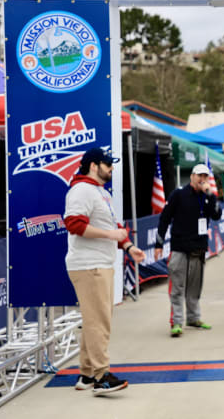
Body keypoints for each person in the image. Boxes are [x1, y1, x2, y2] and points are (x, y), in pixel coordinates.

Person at [63, 147, 145, 395]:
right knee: (99, 323)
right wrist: (112, 235)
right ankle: (101, 376)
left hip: (98, 263)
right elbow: (74, 224)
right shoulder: (81, 190)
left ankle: (87, 375)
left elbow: (112, 226)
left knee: (94, 321)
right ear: (93, 165)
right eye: (107, 163)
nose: (111, 168)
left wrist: (128, 246)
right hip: (89, 264)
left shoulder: (98, 192)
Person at [155, 164, 222, 337]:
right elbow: (164, 218)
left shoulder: (207, 197)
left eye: (205, 176)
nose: (202, 179)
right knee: (177, 287)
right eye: (199, 176)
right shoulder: (179, 194)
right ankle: (176, 322)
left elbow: (216, 215)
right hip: (179, 248)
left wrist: (211, 195)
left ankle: (193, 318)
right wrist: (158, 243)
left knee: (194, 288)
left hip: (198, 248)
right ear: (192, 176)